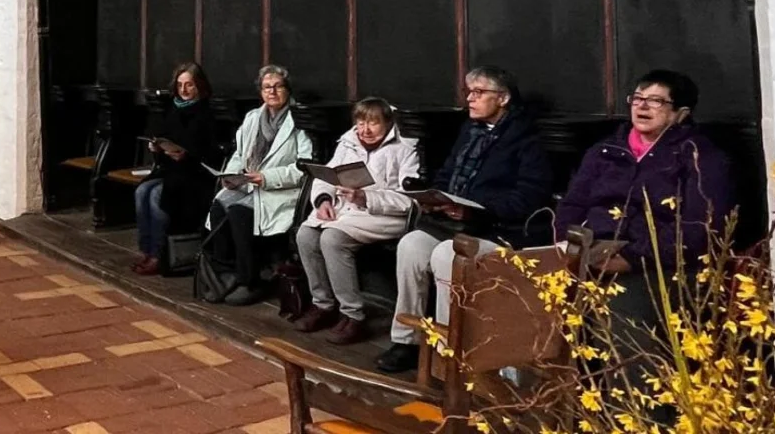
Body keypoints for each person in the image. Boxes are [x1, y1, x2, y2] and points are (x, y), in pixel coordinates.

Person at [376, 65, 554, 374]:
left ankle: (453, 352)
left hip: (499, 230)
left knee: (448, 254)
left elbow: (527, 199)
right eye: (468, 92)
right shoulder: (469, 131)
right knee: (411, 244)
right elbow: (447, 174)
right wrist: (436, 198)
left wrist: (474, 209)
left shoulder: (528, 140)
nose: (470, 99)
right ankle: (407, 341)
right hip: (457, 224)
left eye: (479, 92)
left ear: (503, 98)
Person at [555, 69, 733, 351]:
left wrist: (631, 258)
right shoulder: (606, 150)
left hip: (661, 264)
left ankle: (627, 395)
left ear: (680, 113)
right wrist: (568, 243)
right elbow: (573, 204)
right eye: (637, 98)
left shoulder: (699, 156)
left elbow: (699, 229)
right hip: (592, 250)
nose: (642, 106)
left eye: (656, 101)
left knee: (619, 313)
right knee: (532, 298)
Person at [294, 98, 419, 344]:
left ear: (388, 123)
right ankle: (323, 305)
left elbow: (411, 200)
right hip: (346, 211)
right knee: (305, 235)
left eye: (373, 123)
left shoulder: (406, 147)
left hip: (383, 214)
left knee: (332, 239)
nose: (365, 130)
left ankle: (353, 316)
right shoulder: (348, 142)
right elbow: (327, 175)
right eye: (361, 122)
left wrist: (366, 197)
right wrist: (323, 201)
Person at [206, 64, 313, 305]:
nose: (272, 92)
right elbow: (239, 153)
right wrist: (230, 175)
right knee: (218, 204)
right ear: (260, 92)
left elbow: (304, 167)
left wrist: (267, 177)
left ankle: (250, 280)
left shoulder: (300, 121)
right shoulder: (253, 117)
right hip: (249, 184)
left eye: (278, 86)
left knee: (238, 212)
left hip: (281, 190)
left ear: (287, 90)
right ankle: (226, 273)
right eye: (267, 87)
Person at [132, 62, 219, 275]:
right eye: (180, 85)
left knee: (156, 196)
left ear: (199, 85)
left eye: (189, 85)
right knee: (142, 191)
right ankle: (146, 250)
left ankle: (159, 255)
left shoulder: (207, 112)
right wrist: (157, 147)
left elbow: (211, 153)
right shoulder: (173, 108)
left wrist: (186, 155)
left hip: (196, 174)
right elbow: (163, 136)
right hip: (171, 170)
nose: (184, 90)